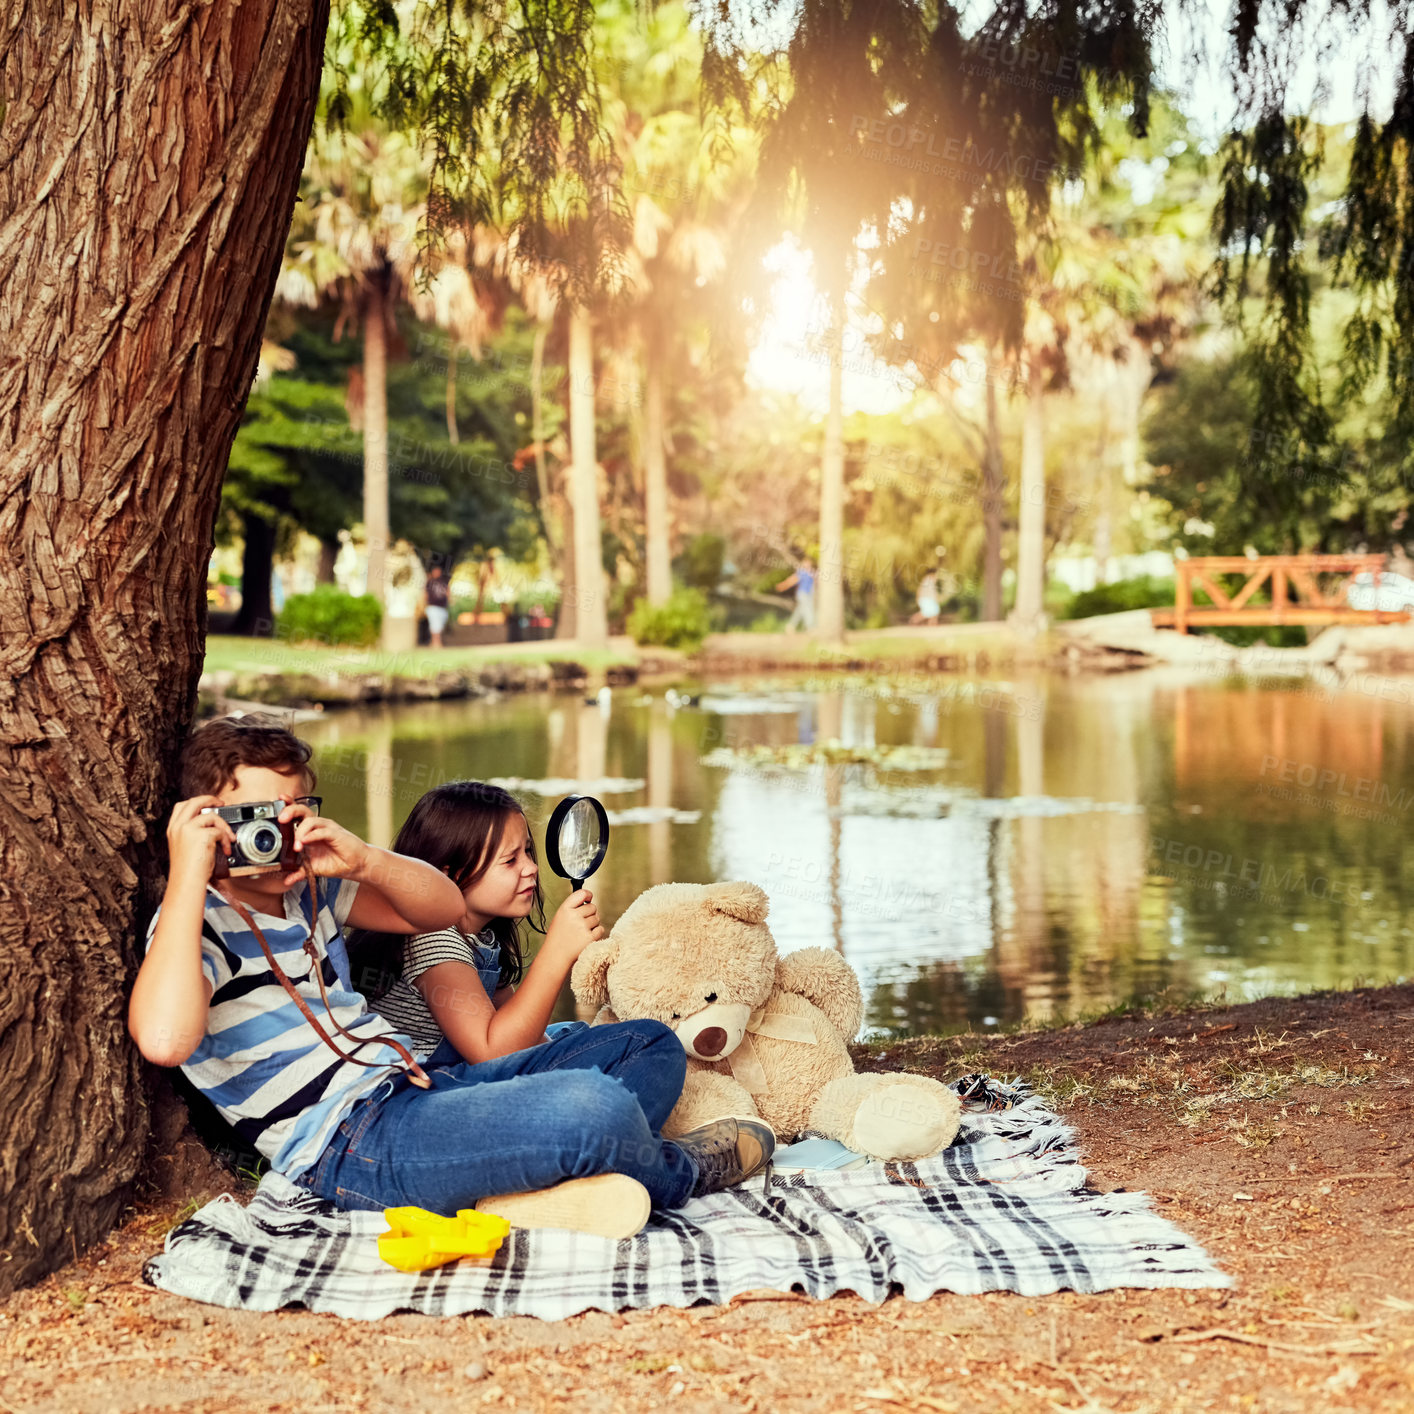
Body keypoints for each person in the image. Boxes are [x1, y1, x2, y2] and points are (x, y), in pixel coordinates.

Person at [128, 715, 772, 1240]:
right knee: (595, 1106)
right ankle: (677, 1171)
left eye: (296, 811)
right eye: (261, 817)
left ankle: (515, 1197)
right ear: (207, 820)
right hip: (348, 1145)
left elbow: (445, 909)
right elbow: (163, 1039)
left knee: (647, 1044)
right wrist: (189, 873)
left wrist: (364, 859)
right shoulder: (193, 925)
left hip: (418, 1087)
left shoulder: (313, 889)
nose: (281, 834)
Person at [348, 780, 588, 1065]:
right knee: (638, 1039)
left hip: (472, 1061)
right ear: (451, 876)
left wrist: (569, 1059)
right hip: (427, 1084)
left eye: (527, 851)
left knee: (581, 1034)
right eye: (510, 860)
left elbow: (524, 1034)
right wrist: (557, 953)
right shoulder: (433, 937)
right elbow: (493, 1052)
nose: (532, 867)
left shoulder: (482, 936)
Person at [775, 557, 817, 632]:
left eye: (808, 564)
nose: (807, 565)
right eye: (806, 564)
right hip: (803, 594)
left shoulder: (811, 573)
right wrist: (782, 586)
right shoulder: (802, 572)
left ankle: (790, 626)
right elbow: (792, 580)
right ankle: (811, 627)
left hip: (809, 595)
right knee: (808, 609)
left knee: (800, 610)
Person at [423, 565, 450, 648]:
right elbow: (425, 594)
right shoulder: (429, 582)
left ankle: (434, 642)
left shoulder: (444, 582)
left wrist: (450, 601)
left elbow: (448, 592)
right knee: (434, 625)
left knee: (439, 625)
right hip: (432, 607)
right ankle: (436, 643)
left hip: (442, 607)